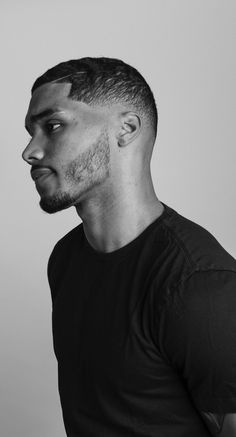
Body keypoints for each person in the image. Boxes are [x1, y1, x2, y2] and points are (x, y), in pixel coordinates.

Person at [22, 57, 236, 436]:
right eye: (30, 132)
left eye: (52, 126)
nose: (30, 151)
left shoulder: (200, 285)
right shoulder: (66, 258)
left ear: (126, 129)